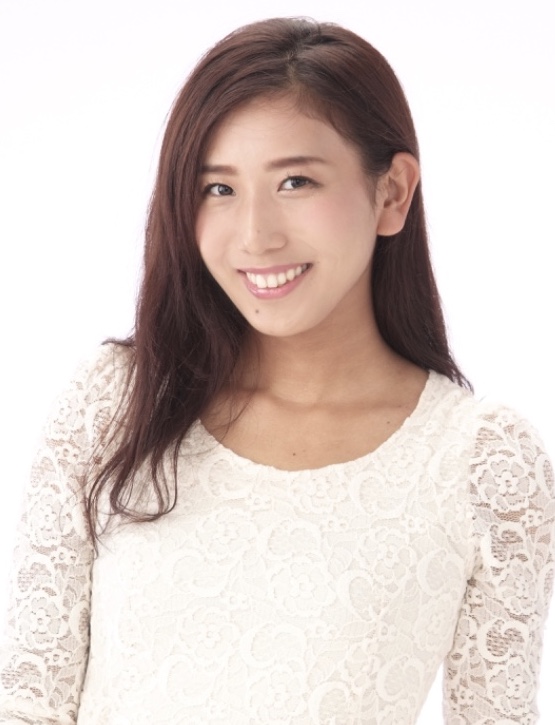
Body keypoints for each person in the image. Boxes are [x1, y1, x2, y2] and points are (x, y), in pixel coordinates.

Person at [0, 16, 553, 724]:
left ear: (391, 193)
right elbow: (29, 700)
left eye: (295, 181)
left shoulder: (481, 463)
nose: (255, 236)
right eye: (217, 189)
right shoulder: (117, 402)